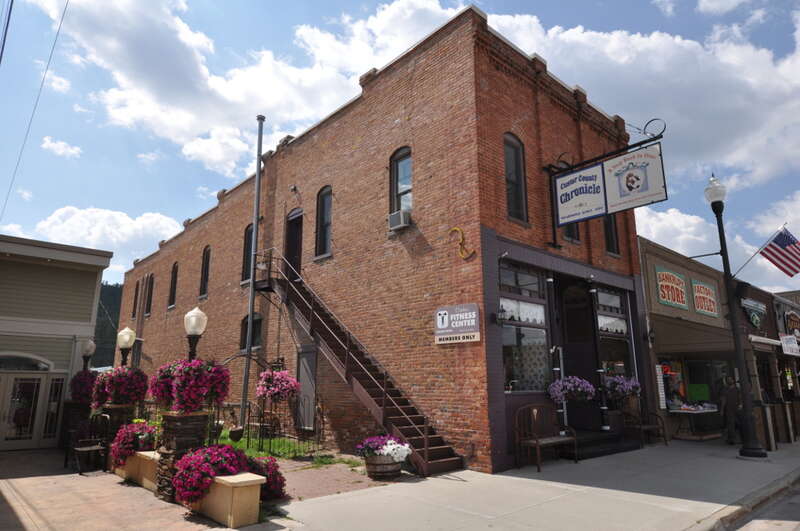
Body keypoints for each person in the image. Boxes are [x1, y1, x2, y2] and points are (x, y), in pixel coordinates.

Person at [720, 376, 741, 445]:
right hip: (729, 409)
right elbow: (723, 400)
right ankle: (732, 439)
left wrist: (740, 405)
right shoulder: (725, 389)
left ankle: (740, 438)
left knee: (739, 423)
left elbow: (740, 397)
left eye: (730, 379)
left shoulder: (737, 389)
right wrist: (722, 410)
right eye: (728, 380)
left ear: (733, 380)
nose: (729, 381)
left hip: (737, 408)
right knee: (730, 424)